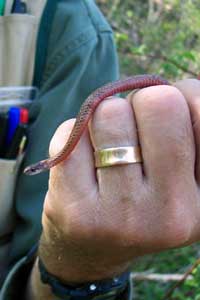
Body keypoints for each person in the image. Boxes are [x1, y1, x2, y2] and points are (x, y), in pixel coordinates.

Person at [1, 0, 200, 299]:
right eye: (35, 168)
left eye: (36, 169)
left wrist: (82, 260)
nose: (35, 170)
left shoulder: (70, 27)